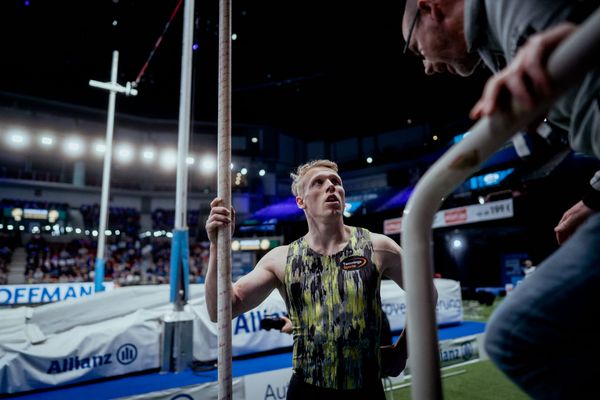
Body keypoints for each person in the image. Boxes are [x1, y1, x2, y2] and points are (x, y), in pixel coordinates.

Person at [401, 0, 599, 397]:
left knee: (515, 336)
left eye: (414, 47)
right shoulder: (499, 43)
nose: (425, 65)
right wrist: (594, 198)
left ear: (430, 8)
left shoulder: (509, 7)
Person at [205, 159, 419, 399]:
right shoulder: (280, 259)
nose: (331, 186)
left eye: (335, 182)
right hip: (307, 390)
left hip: (366, 388)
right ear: (301, 201)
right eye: (318, 182)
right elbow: (219, 309)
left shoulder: (378, 247)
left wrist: (403, 350)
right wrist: (216, 248)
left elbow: (426, 295)